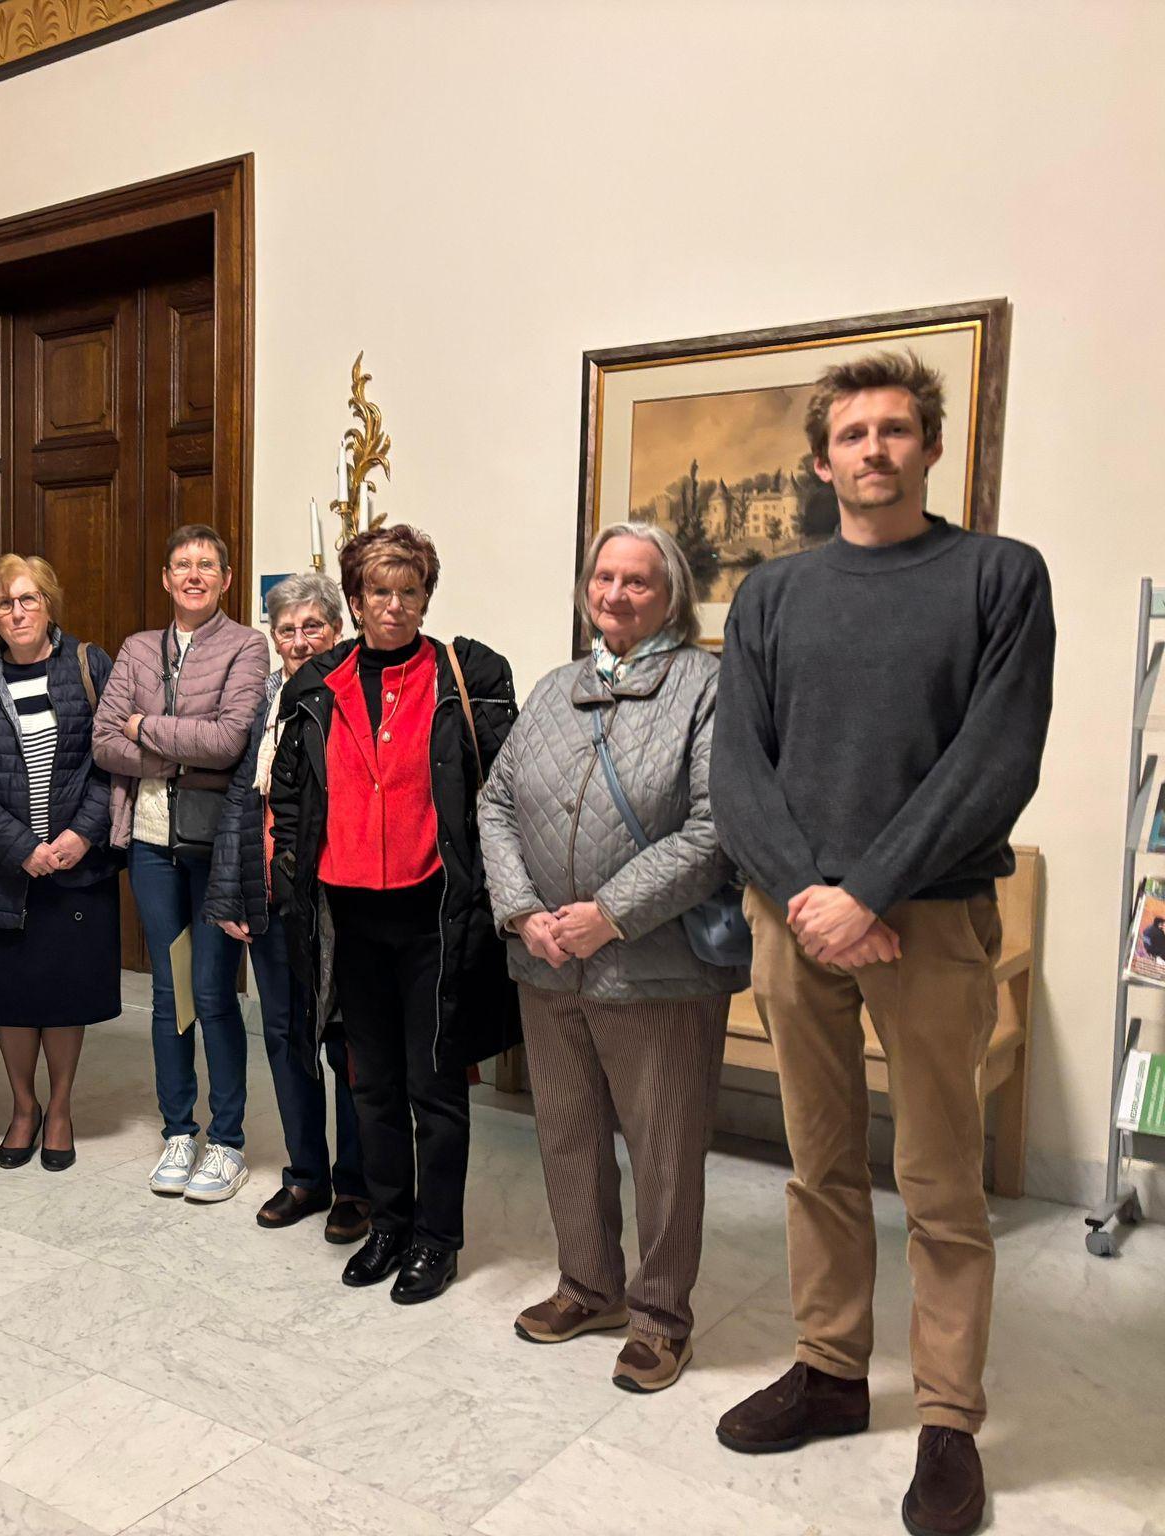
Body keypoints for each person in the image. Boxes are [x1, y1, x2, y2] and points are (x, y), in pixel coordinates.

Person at [710, 352, 1054, 1536]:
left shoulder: (996, 577)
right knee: (815, 1165)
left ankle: (948, 1420)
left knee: (939, 1183)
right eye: (849, 434)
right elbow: (736, 765)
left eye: (894, 429)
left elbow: (994, 758)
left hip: (929, 921)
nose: (872, 449)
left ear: (928, 446)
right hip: (793, 920)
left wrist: (868, 892)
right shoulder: (770, 596)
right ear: (819, 462)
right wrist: (807, 892)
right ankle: (829, 1370)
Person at [479, 522, 746, 1392]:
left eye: (638, 580)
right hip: (548, 962)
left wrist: (612, 915)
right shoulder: (556, 689)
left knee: (665, 1147)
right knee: (565, 1134)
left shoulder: (710, 688)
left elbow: (717, 829)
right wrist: (523, 913)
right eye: (605, 577)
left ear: (671, 593)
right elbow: (497, 804)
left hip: (657, 968)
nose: (617, 594)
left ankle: (662, 1316)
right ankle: (587, 1284)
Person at [269, 524, 517, 1305]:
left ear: (426, 598)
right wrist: (286, 888)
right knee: (369, 1082)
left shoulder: (465, 672)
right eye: (380, 591)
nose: (396, 606)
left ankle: (436, 1240)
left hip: (433, 914)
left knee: (434, 1087)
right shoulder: (314, 683)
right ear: (355, 599)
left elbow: (504, 788)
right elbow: (289, 794)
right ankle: (387, 1223)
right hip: (346, 915)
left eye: (411, 592)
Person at [92, 524, 268, 1203]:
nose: (193, 574)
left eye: (207, 565)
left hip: (218, 849)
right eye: (181, 564)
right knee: (170, 995)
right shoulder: (138, 648)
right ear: (166, 578)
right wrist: (171, 748)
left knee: (215, 993)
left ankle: (227, 1140)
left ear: (225, 579)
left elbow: (228, 741)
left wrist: (146, 728)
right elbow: (106, 741)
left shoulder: (247, 645)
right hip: (152, 842)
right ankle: (178, 1129)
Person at [0, 555, 121, 1172]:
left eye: (28, 599)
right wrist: (22, 847)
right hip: (2, 871)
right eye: (4, 602)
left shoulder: (91, 666)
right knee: (10, 998)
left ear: (49, 605)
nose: (16, 612)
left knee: (64, 997)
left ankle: (62, 1107)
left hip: (77, 868)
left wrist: (82, 834)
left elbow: (113, 761)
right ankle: (23, 1107)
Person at [204, 571, 369, 1240]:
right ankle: (307, 1174)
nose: (300, 641)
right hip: (273, 899)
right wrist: (231, 890)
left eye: (313, 627)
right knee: (284, 1036)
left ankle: (358, 1186)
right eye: (287, 629)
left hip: (340, 899)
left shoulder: (357, 696)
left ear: (338, 630)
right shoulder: (266, 700)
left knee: (347, 1043)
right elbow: (241, 806)